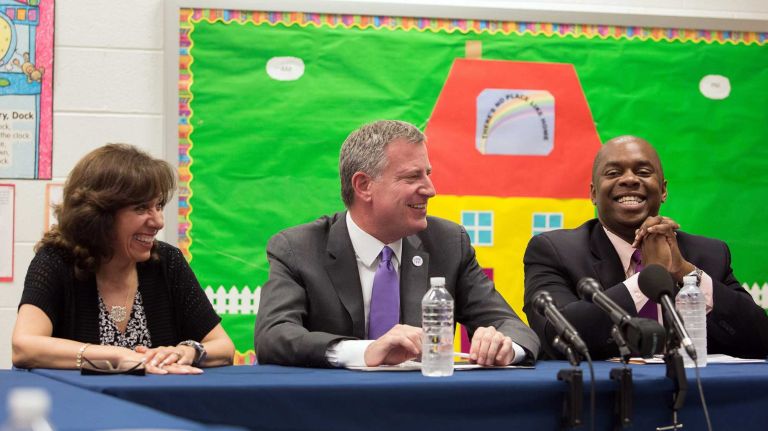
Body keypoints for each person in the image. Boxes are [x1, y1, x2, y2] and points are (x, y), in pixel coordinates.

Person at [255, 120, 540, 368]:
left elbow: (514, 328)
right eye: (413, 176)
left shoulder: (448, 243)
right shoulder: (298, 248)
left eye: (428, 173)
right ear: (364, 185)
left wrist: (505, 347)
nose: (431, 189)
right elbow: (273, 335)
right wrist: (364, 352)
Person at [523, 135, 768, 359]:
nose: (629, 179)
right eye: (613, 173)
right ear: (594, 194)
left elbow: (760, 339)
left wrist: (684, 271)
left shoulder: (709, 254)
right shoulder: (555, 251)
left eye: (642, 171)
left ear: (663, 190)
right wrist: (647, 279)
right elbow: (555, 336)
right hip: (600, 399)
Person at [12, 144, 235, 374]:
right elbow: (24, 346)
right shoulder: (56, 260)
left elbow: (224, 347)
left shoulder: (167, 261)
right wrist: (117, 356)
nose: (159, 222)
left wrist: (188, 351)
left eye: (158, 206)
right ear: (99, 215)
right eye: (141, 208)